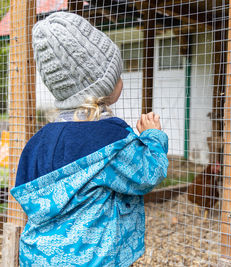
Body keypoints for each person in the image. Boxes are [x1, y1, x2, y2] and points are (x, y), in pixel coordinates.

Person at [10, 12, 169, 266]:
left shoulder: (35, 144)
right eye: (116, 74)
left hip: (37, 258)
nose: (121, 79)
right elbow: (149, 173)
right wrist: (153, 136)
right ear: (101, 87)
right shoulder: (111, 138)